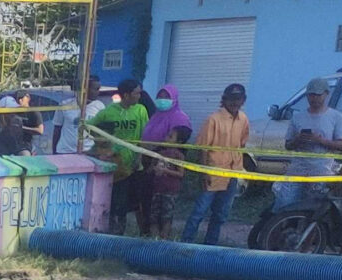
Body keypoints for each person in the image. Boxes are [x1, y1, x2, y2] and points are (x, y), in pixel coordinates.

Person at [183, 83, 252, 244]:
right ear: (224, 100)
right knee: (199, 212)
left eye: (238, 99)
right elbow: (203, 148)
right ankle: (185, 244)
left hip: (232, 173)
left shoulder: (243, 119)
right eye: (231, 99)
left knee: (221, 214)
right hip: (213, 172)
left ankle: (210, 247)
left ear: (243, 100)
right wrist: (204, 172)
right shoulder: (213, 119)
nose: (234, 103)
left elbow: (242, 144)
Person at [275, 77, 342, 211]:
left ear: (326, 94)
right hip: (297, 171)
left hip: (321, 171)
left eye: (318, 94)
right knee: (285, 206)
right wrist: (298, 139)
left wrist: (320, 140)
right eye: (311, 94)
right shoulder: (298, 117)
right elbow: (288, 145)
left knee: (314, 210)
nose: (314, 98)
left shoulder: (336, 117)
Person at [91, 79, 150, 232]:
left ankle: (130, 232)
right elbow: (90, 126)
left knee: (134, 201)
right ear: (126, 95)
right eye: (136, 93)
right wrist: (103, 146)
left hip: (133, 163)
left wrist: (139, 156)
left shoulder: (140, 110)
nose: (139, 96)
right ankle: (110, 229)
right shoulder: (109, 111)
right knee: (114, 199)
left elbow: (143, 135)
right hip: (115, 164)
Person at [141, 86, 192, 237]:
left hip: (169, 180)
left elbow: (181, 149)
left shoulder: (180, 118)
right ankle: (149, 236)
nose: (162, 99)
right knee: (151, 208)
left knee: (166, 213)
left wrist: (164, 158)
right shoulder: (156, 116)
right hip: (151, 164)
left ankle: (163, 239)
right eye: (160, 95)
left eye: (166, 96)